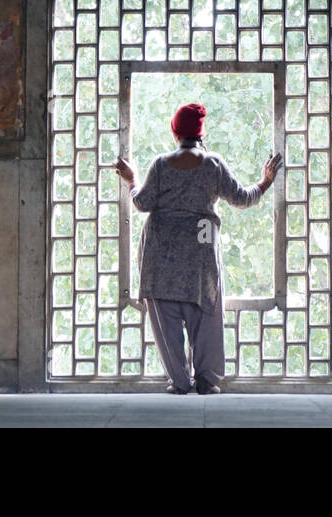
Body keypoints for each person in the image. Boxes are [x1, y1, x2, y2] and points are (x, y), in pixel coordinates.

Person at [114, 102, 282, 395]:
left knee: (164, 314)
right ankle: (207, 379)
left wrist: (131, 179)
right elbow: (242, 198)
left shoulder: (161, 164)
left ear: (175, 131)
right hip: (200, 253)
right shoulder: (213, 164)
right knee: (205, 310)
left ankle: (178, 382)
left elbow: (141, 204)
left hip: (160, 254)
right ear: (201, 134)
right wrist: (265, 182)